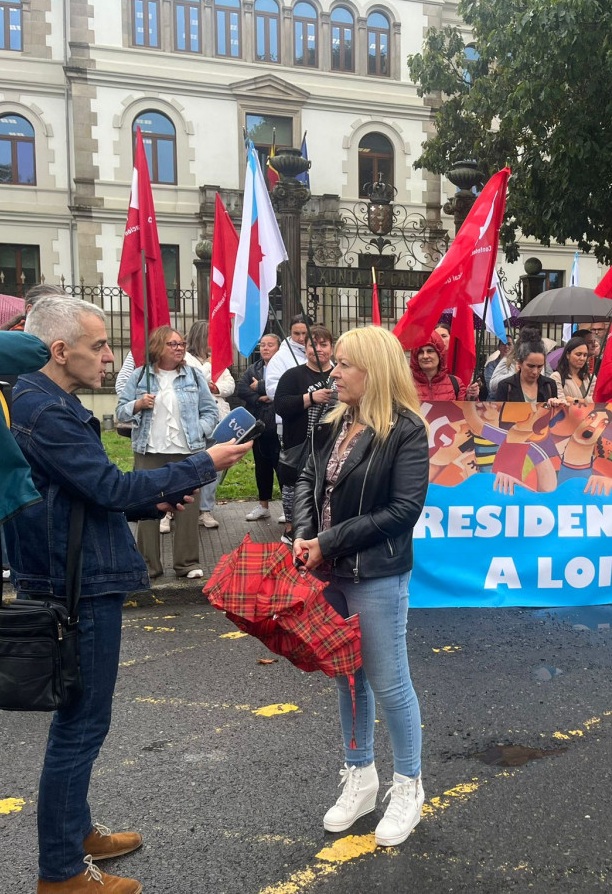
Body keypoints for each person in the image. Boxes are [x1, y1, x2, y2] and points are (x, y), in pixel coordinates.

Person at [8, 294, 249, 893]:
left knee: (81, 719)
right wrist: (203, 462)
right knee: (81, 724)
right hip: (78, 582)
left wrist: (153, 496)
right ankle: (61, 872)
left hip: (80, 570)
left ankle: (76, 831)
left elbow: (94, 492)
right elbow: (106, 484)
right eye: (99, 346)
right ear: (60, 352)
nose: (111, 356)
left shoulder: (44, 401)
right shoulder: (46, 410)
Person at [292, 325, 430, 848]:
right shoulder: (336, 419)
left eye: (345, 364)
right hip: (328, 569)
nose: (334, 371)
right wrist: (308, 535)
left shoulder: (407, 429)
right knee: (347, 678)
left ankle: (408, 786)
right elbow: (307, 477)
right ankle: (360, 775)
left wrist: (330, 540)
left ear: (374, 370)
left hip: (375, 572)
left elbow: (402, 511)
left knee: (389, 682)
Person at [115, 326, 219, 580]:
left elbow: (210, 412)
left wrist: (199, 430)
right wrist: (138, 404)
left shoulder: (193, 376)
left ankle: (187, 564)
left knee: (187, 509)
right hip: (151, 451)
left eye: (181, 343)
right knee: (147, 508)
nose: (179, 348)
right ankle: (148, 565)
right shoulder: (141, 376)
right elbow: (120, 411)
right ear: (157, 347)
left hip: (187, 452)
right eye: (172, 344)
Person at [274, 324, 336, 539]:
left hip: (330, 445)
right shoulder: (293, 376)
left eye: (323, 344)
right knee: (294, 486)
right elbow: (280, 405)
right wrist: (310, 398)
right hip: (299, 445)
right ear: (305, 348)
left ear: (332, 347)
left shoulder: (339, 374)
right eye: (312, 345)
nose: (318, 349)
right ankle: (291, 528)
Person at [184, 320, 235, 530]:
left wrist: (215, 388)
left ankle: (206, 510)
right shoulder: (186, 360)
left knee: (213, 466)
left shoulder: (218, 360)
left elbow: (229, 385)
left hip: (218, 417)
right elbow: (192, 383)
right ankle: (180, 511)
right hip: (193, 419)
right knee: (190, 464)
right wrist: (208, 384)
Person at [237, 333, 284, 522]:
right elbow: (241, 388)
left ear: (278, 348)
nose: (265, 348)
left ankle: (286, 506)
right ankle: (263, 505)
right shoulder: (253, 369)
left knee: (281, 466)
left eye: (270, 345)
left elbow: (284, 390)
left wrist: (261, 388)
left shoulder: (283, 368)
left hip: (279, 424)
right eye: (262, 345)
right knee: (261, 465)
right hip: (258, 425)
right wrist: (259, 396)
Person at [410, 332, 478, 401]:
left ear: (440, 355)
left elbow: (466, 409)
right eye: (421, 352)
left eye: (430, 351)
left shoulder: (455, 383)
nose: (425, 356)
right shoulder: (405, 383)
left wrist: (471, 397)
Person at [496, 330, 559, 403]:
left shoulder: (549, 385)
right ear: (520, 362)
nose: (535, 372)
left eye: (540, 367)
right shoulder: (505, 386)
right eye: (531, 366)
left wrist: (558, 406)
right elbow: (499, 413)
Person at [553, 334, 595, 402]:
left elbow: (597, 401)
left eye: (585, 355)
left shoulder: (590, 377)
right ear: (567, 355)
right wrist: (587, 401)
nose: (582, 358)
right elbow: (561, 403)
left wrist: (575, 401)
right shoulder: (557, 377)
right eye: (578, 354)